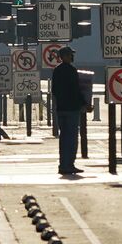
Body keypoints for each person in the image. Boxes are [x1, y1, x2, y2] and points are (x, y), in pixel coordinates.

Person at [50, 47, 84, 177]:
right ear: (65, 56)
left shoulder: (57, 71)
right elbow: (76, 89)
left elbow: (55, 91)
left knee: (63, 138)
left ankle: (63, 164)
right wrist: (84, 103)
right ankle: (69, 164)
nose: (71, 57)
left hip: (61, 109)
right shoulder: (71, 70)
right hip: (71, 109)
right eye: (70, 55)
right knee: (72, 138)